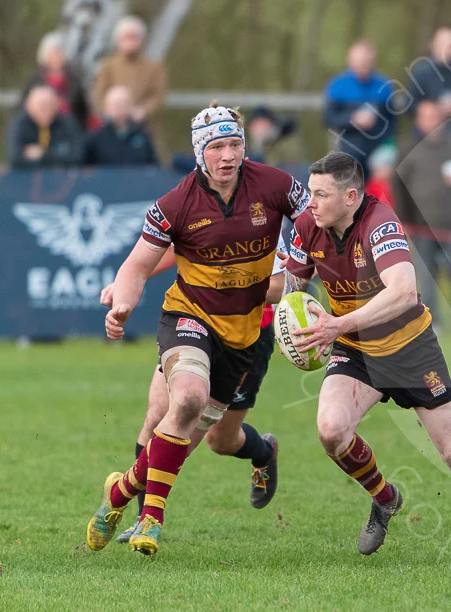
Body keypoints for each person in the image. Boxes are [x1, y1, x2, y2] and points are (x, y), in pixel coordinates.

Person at [86, 102, 311, 555]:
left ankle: (122, 494)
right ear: (199, 153)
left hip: (250, 332)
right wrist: (124, 300)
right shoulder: (177, 202)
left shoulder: (277, 188)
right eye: (218, 147)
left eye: (235, 145)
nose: (228, 155)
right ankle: (147, 519)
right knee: (172, 407)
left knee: (211, 439)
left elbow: (319, 227)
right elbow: (152, 257)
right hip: (189, 317)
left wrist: (305, 282)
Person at [281, 152, 451, 561]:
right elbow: (292, 286)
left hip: (410, 348)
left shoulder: (380, 223)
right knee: (331, 430)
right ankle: (385, 498)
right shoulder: (309, 225)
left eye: (321, 195)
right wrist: (286, 314)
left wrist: (336, 325)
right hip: (356, 349)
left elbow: (404, 292)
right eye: (311, 193)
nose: (311, 203)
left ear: (351, 196)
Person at [95, 242, 287, 545]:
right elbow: (169, 248)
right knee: (159, 416)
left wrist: (224, 286)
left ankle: (263, 452)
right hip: (190, 321)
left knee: (218, 440)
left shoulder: (264, 209)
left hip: (244, 336)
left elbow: (279, 286)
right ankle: (144, 518)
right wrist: (126, 284)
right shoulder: (194, 200)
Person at [394, 99, 451, 321]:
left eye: (436, 117)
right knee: (427, 279)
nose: (433, 122)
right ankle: (431, 323)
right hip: (421, 227)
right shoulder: (408, 148)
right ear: (419, 120)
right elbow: (397, 186)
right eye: (427, 117)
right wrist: (404, 220)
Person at [93, 16, 168, 154]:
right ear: (117, 40)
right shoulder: (108, 66)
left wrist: (142, 111)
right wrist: (111, 111)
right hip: (113, 128)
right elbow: (99, 95)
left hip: (145, 127)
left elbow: (158, 97)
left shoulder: (153, 67)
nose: (130, 42)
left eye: (135, 37)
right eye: (126, 37)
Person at [323, 40, 396, 180]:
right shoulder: (337, 86)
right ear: (350, 60)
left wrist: (387, 151)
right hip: (348, 148)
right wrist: (352, 119)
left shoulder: (384, 86)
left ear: (373, 60)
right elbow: (328, 118)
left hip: (377, 151)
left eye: (366, 60)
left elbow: (392, 123)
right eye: (359, 60)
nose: (362, 64)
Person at [22, 33, 89, 130]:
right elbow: (24, 107)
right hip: (40, 128)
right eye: (53, 53)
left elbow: (83, 110)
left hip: (70, 129)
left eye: (59, 53)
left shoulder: (74, 79)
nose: (56, 57)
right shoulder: (35, 80)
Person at [6, 85, 84, 169]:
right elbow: (15, 159)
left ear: (57, 105)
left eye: (50, 105)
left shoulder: (67, 123)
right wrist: (58, 158)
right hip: (27, 179)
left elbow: (78, 158)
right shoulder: (19, 124)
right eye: (41, 105)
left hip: (61, 178)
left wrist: (43, 155)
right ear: (28, 106)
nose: (46, 110)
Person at [407, 26, 451, 115]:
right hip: (432, 127)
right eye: (443, 45)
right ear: (432, 45)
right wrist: (432, 109)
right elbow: (409, 106)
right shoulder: (421, 72)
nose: (448, 50)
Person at [84, 85, 159, 166]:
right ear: (107, 107)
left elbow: (154, 167)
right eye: (116, 104)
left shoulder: (143, 136)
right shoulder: (96, 138)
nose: (120, 108)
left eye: (124, 103)